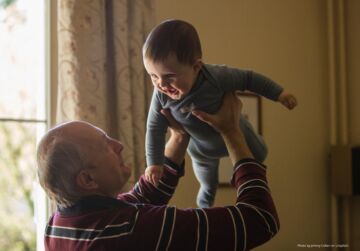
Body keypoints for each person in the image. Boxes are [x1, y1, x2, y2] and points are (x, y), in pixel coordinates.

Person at [37, 92, 279, 250]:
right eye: (106, 145)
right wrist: (231, 132)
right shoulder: (134, 230)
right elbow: (260, 219)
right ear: (88, 179)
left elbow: (140, 198)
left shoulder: (58, 225)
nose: (119, 146)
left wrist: (179, 136)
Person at [143, 19, 297, 207]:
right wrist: (154, 163)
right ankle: (205, 204)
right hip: (201, 150)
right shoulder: (160, 95)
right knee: (208, 183)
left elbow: (249, 79)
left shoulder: (216, 77)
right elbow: (154, 128)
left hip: (236, 129)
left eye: (169, 76)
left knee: (260, 154)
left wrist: (279, 94)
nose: (161, 84)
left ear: (196, 67)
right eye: (153, 76)